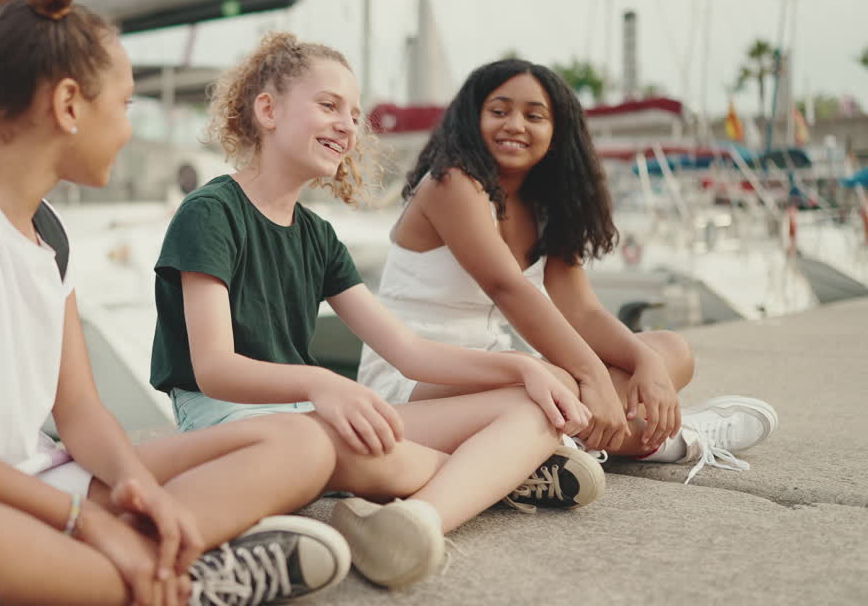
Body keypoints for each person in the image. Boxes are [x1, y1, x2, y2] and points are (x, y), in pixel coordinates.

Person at [0, 0, 355, 606]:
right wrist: (83, 519)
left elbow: (81, 413)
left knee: (300, 443)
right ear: (68, 105)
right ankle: (171, 583)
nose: (127, 127)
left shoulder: (50, 235)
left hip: (33, 483)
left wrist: (129, 486)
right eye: (122, 105)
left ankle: (127, 572)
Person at [149, 33, 604, 591]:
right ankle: (493, 479)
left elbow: (409, 352)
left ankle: (415, 521)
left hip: (311, 419)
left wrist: (524, 367)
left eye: (355, 113)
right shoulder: (210, 214)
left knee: (534, 403)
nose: (347, 124)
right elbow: (214, 367)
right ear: (266, 110)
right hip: (237, 424)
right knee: (402, 458)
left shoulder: (316, 236)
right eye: (328, 105)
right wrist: (323, 383)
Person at [359, 58, 778, 485]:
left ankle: (569, 444)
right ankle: (677, 439)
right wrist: (592, 377)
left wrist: (645, 361)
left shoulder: (546, 206)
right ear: (472, 119)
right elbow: (509, 289)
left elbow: (581, 313)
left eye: (534, 115)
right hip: (413, 379)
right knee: (556, 378)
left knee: (670, 351)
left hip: (494, 367)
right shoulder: (451, 183)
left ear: (558, 130)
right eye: (499, 111)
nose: (515, 125)